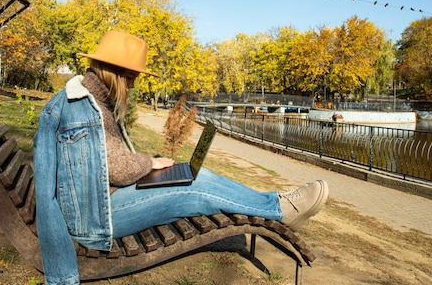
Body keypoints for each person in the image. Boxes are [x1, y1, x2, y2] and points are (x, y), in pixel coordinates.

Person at [34, 30, 329, 285]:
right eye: (133, 77)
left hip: (108, 200)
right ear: (117, 73)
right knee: (195, 190)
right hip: (99, 218)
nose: (134, 85)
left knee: (198, 175)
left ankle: (275, 203)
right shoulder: (76, 107)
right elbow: (116, 170)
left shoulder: (94, 101)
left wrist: (153, 166)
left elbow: (107, 163)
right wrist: (150, 163)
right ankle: (280, 210)